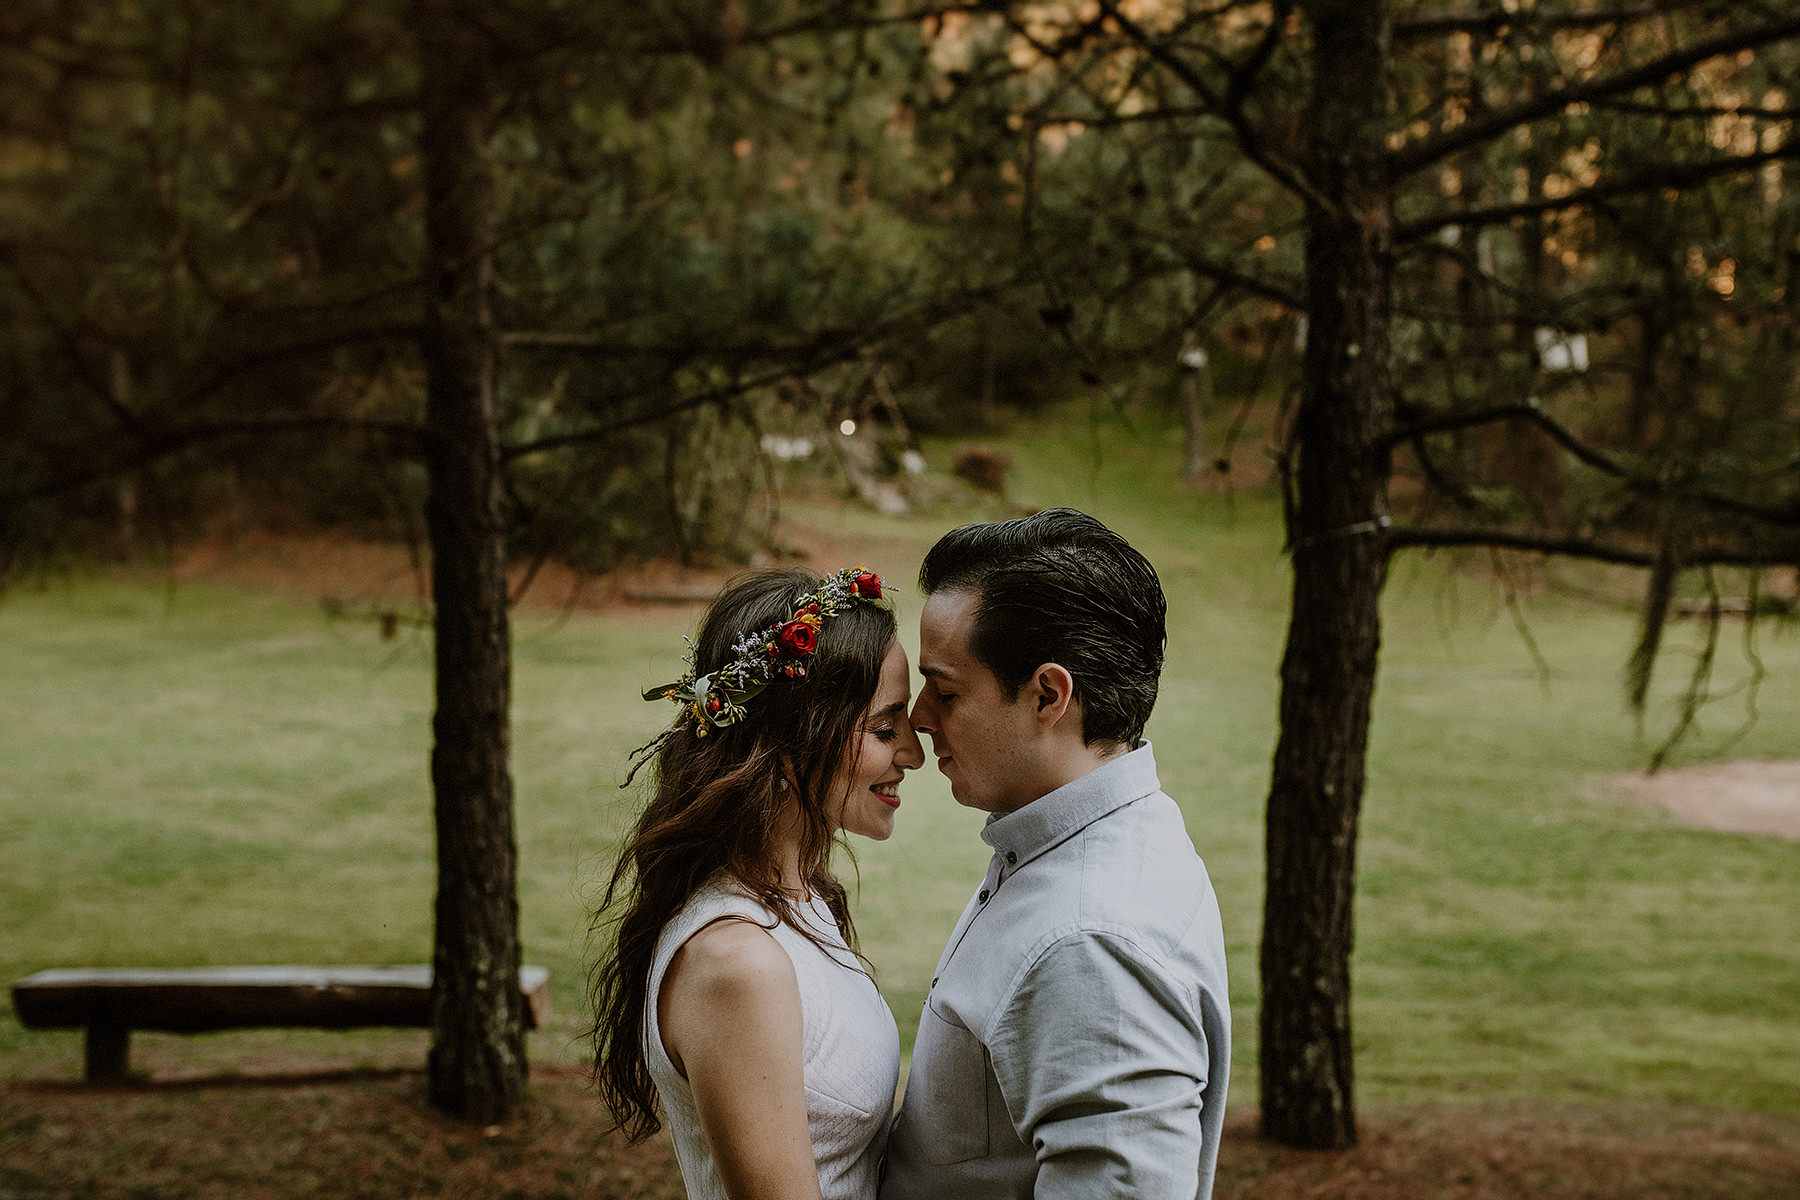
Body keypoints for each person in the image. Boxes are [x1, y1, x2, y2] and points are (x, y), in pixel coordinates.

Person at [880, 508, 1231, 1200]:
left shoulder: (1091, 942)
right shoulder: (1090, 842)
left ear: (1048, 695)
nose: (920, 717)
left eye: (946, 690)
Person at [589, 566, 924, 1200]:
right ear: (793, 734)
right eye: (883, 729)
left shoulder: (802, 897)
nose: (912, 752)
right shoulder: (737, 963)